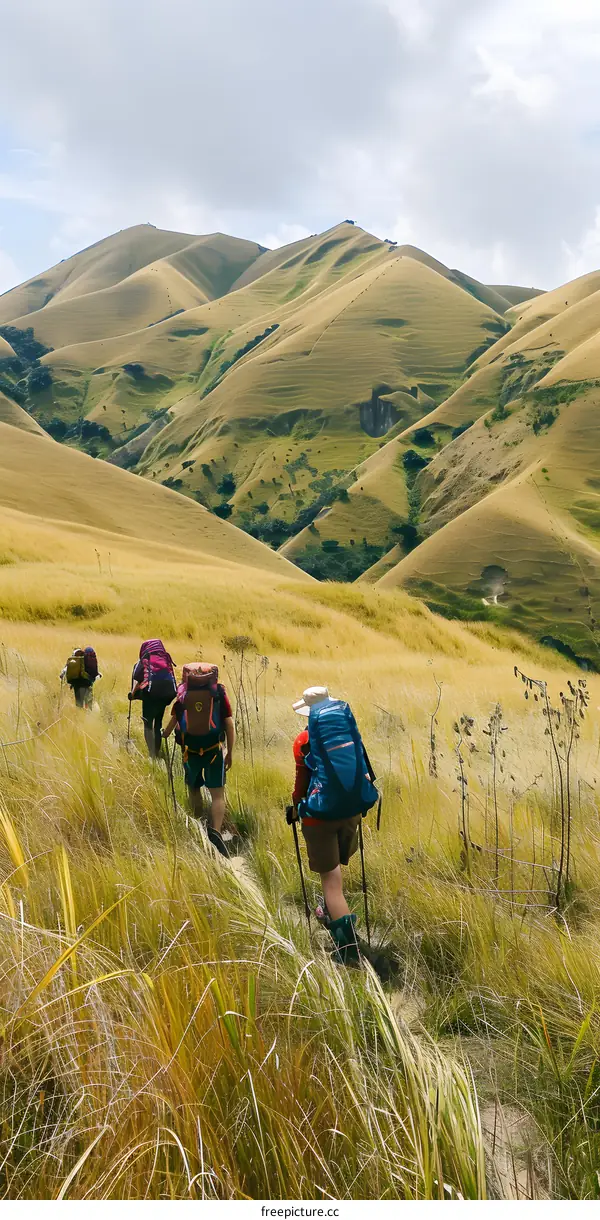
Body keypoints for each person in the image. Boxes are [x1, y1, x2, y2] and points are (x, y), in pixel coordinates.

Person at [290, 685, 378, 964]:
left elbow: (301, 786)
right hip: (350, 813)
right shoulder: (349, 736)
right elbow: (366, 773)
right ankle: (332, 913)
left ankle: (348, 950)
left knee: (330, 883)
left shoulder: (303, 741)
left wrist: (296, 806)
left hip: (320, 817)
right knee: (335, 871)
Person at [162, 662, 235, 857]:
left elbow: (173, 722)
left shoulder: (183, 693)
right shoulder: (218, 694)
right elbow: (229, 725)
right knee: (217, 795)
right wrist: (230, 752)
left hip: (190, 751)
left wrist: (164, 734)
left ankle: (199, 824)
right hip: (214, 751)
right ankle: (216, 832)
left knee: (194, 788)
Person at [129, 639, 177, 758]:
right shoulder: (165, 658)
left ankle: (152, 755)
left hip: (150, 696)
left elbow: (137, 677)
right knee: (158, 724)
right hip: (164, 696)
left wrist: (132, 694)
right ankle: (157, 751)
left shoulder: (145, 658)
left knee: (148, 724)